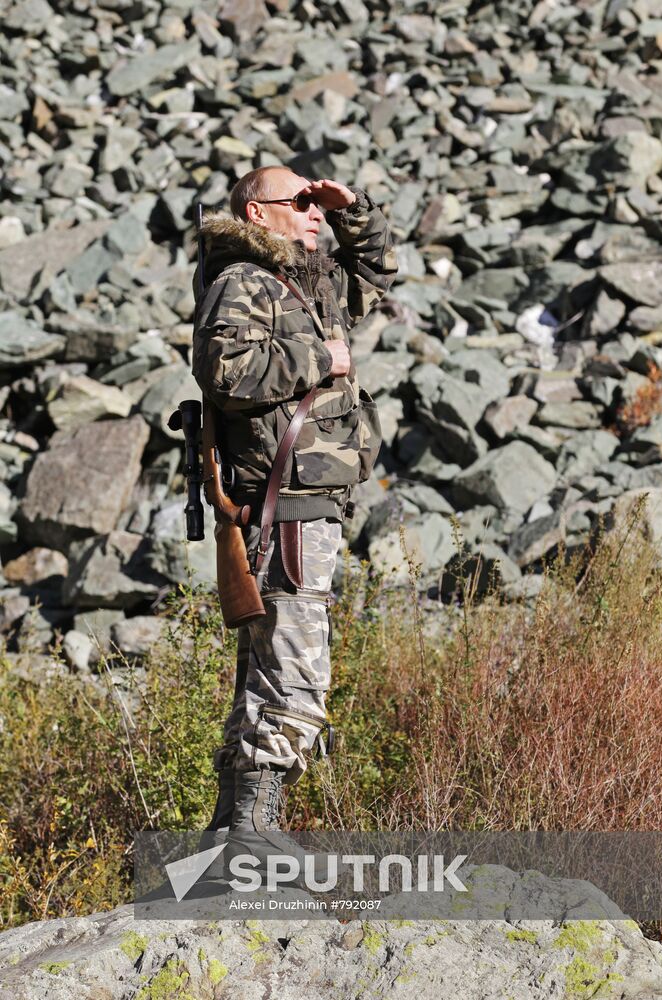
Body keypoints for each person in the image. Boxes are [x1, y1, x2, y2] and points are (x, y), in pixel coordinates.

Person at [191, 165, 397, 864]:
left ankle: (232, 830)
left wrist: (352, 208)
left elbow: (377, 268)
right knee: (294, 670)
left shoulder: (309, 281)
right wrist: (322, 355)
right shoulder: (241, 282)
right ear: (257, 213)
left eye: (317, 204)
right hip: (285, 503)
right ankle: (252, 833)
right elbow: (225, 373)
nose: (314, 212)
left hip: (309, 501)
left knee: (270, 667)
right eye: (300, 202)